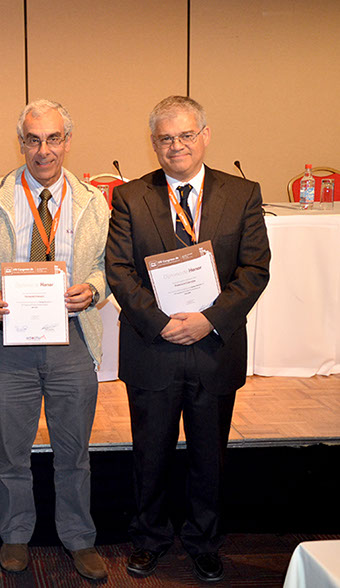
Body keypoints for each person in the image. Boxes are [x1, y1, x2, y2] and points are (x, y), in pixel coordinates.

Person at [106, 96, 270, 582]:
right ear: (153, 143)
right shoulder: (130, 196)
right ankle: (149, 538)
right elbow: (118, 270)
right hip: (152, 347)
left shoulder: (242, 193)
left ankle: (204, 541)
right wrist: (160, 323)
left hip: (214, 347)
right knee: (149, 453)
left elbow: (254, 269)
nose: (176, 145)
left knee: (209, 456)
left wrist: (208, 320)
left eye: (185, 135)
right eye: (165, 138)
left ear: (205, 136)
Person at [0, 100, 110, 580]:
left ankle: (79, 537)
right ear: (21, 143)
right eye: (33, 140)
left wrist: (94, 290)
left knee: (74, 451)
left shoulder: (93, 201)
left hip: (71, 342)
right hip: (7, 343)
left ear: (67, 141)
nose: (43, 150)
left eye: (52, 139)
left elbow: (107, 266)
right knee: (12, 450)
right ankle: (15, 534)